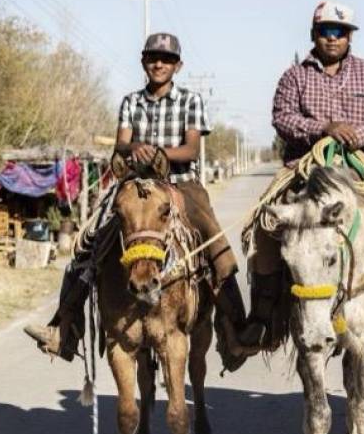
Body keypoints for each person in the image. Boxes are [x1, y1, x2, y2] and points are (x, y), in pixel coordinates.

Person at [23, 32, 248, 364]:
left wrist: (157, 152)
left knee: (216, 246)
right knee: (89, 242)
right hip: (136, 187)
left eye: (167, 59)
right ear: (144, 61)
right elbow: (121, 145)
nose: (159, 63)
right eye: (153, 57)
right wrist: (132, 149)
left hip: (182, 184)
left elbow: (190, 149)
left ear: (178, 65)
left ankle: (236, 333)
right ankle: (64, 327)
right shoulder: (131, 101)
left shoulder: (190, 101)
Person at [239, 1, 364, 359]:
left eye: (340, 32)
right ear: (314, 35)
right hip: (305, 165)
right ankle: (265, 310)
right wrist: (324, 129)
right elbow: (281, 117)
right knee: (263, 223)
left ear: (350, 37)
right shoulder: (295, 76)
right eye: (326, 31)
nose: (333, 38)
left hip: (363, 163)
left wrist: (360, 134)